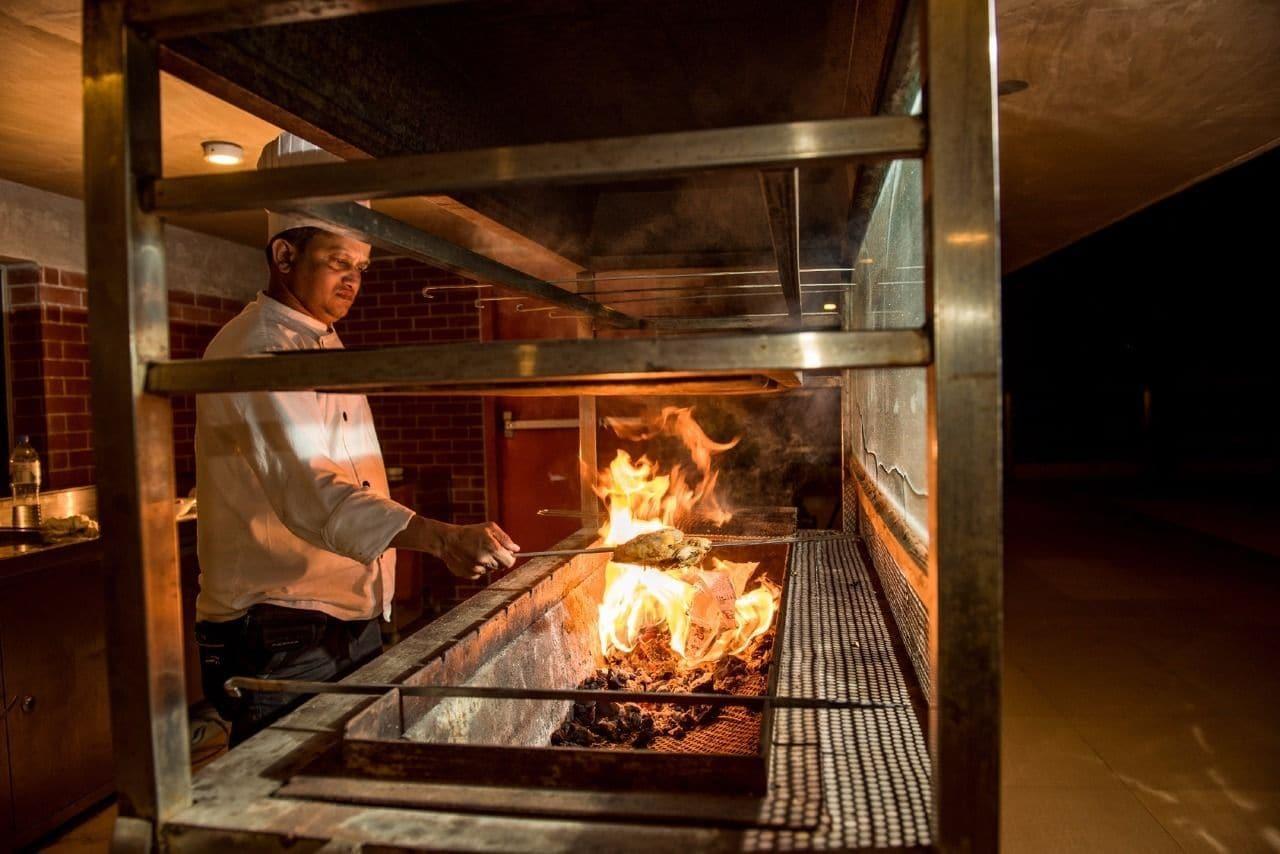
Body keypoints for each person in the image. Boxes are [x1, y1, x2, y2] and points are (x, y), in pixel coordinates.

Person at [194, 133, 519, 745]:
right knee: (291, 814)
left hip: (339, 621)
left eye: (360, 268)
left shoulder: (320, 340)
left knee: (340, 796)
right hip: (280, 630)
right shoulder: (254, 348)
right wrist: (440, 537)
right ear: (285, 256)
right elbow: (314, 493)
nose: (353, 281)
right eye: (338, 263)